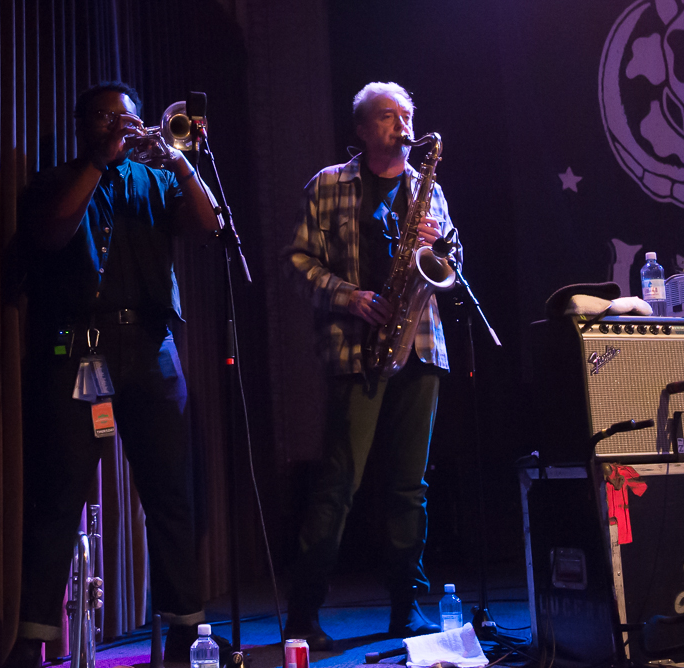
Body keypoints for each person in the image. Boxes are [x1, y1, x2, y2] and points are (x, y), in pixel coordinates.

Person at [2, 82, 223, 668]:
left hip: (151, 348)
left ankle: (187, 631)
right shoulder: (57, 180)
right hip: (78, 348)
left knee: (172, 493)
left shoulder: (155, 181)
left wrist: (179, 159)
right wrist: (99, 164)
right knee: (60, 493)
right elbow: (50, 234)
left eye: (127, 118)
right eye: (105, 118)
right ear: (84, 125)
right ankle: (33, 637)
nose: (118, 126)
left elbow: (209, 227)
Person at [281, 81, 461, 650]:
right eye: (388, 117)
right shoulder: (328, 185)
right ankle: (304, 615)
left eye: (406, 114)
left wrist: (441, 248)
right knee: (338, 486)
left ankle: (406, 610)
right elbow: (297, 260)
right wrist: (349, 295)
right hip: (355, 348)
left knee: (410, 487)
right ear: (362, 129)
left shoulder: (428, 189)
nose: (402, 125)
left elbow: (452, 269)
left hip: (421, 346)